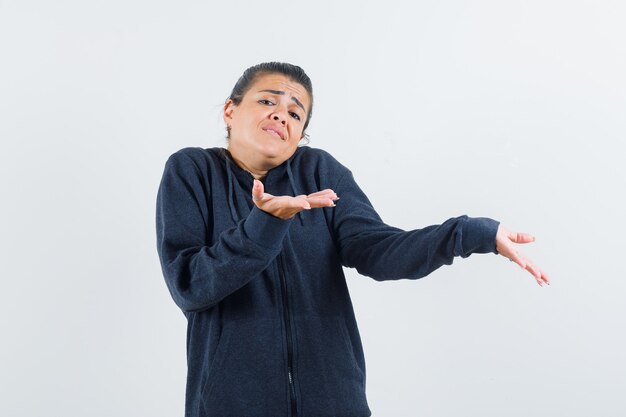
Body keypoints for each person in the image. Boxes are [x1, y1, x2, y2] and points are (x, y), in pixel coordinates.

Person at [155, 62, 549, 417]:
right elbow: (189, 285)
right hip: (229, 405)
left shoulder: (319, 171)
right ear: (230, 110)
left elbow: (379, 251)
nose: (282, 114)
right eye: (267, 101)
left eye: (296, 112)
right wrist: (264, 223)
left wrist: (470, 233)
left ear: (299, 136)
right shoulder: (192, 170)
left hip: (335, 402)